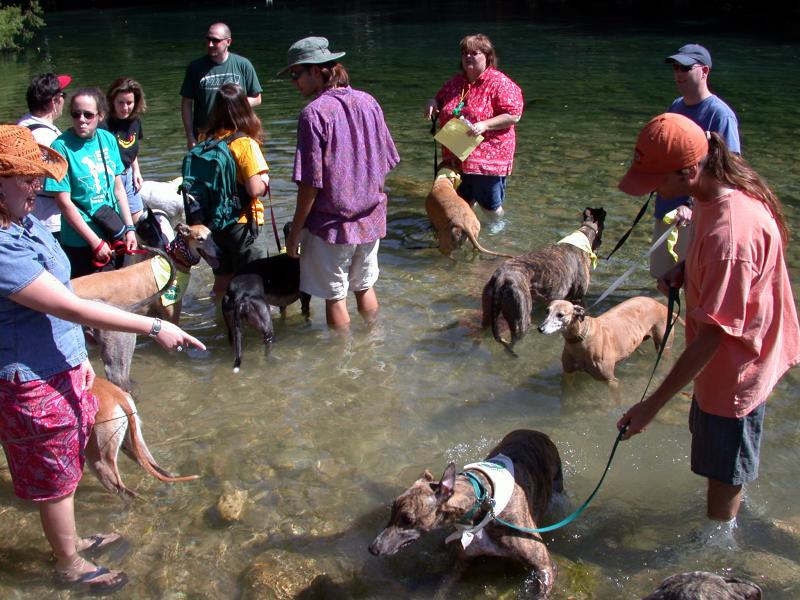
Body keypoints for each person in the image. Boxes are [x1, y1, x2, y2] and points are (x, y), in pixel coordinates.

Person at [0, 124, 204, 592]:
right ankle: (68, 566)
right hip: (30, 378)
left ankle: (70, 542)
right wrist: (156, 325)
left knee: (69, 468)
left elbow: (64, 295)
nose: (39, 186)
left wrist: (78, 354)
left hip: (63, 365)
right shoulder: (2, 245)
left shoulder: (27, 223)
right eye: (27, 178)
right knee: (55, 480)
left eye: (38, 176)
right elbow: (68, 304)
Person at [616, 113, 800, 533]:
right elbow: (707, 258)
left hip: (738, 367)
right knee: (720, 459)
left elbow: (712, 338)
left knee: (725, 472)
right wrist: (683, 270)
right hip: (722, 358)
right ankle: (728, 517)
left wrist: (649, 407)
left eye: (657, 180)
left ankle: (718, 550)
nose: (653, 192)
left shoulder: (731, 236)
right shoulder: (707, 197)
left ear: (688, 170)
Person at [281, 36, 399, 331]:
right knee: (364, 286)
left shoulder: (313, 114)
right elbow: (384, 162)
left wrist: (294, 234)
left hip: (332, 225)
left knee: (335, 297)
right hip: (371, 218)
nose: (294, 81)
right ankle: (372, 344)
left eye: (297, 73)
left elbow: (310, 184)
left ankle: (343, 364)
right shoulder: (369, 101)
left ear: (317, 71)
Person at [649, 43, 741, 278]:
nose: (679, 74)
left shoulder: (720, 115)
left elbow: (729, 172)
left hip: (696, 217)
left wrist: (690, 205)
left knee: (694, 283)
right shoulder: (675, 106)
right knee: (662, 278)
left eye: (685, 68)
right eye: (676, 68)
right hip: (666, 208)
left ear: (704, 71)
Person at [424, 34, 523, 233]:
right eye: (464, 53)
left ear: (487, 56)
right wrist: (432, 103)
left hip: (487, 155)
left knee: (490, 204)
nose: (468, 57)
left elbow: (514, 115)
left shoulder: (500, 83)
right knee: (462, 198)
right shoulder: (456, 82)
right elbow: (440, 99)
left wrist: (485, 124)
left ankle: (498, 233)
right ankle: (467, 231)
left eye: (474, 53)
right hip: (457, 151)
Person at [44, 88, 137, 278]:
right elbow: (63, 202)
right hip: (81, 242)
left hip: (112, 230)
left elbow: (118, 188)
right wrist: (95, 242)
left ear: (100, 115)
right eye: (76, 114)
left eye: (88, 115)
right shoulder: (60, 147)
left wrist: (129, 228)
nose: (81, 120)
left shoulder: (108, 139)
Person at [201, 82, 270, 297]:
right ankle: (252, 328)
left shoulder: (206, 140)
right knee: (253, 282)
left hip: (214, 223)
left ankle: (220, 325)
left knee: (222, 280)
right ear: (244, 107)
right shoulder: (245, 144)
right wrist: (265, 179)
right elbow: (254, 189)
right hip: (241, 225)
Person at [180, 22, 262, 150]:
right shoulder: (195, 67)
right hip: (206, 138)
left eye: (215, 40)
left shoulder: (243, 65)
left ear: (228, 42)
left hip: (238, 136)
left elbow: (257, 98)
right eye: (208, 39)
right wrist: (190, 137)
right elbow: (186, 103)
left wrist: (232, 104)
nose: (210, 44)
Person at [17, 72, 72, 239]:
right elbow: (60, 182)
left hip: (29, 217)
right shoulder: (48, 139)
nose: (64, 100)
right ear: (54, 101)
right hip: (51, 221)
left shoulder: (22, 127)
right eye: (63, 95)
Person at [103, 77, 147, 224]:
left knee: (138, 219)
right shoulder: (104, 125)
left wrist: (136, 171)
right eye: (120, 103)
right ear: (112, 102)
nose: (125, 107)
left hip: (129, 174)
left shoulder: (135, 121)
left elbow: (131, 148)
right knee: (119, 223)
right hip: (112, 178)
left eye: (129, 103)